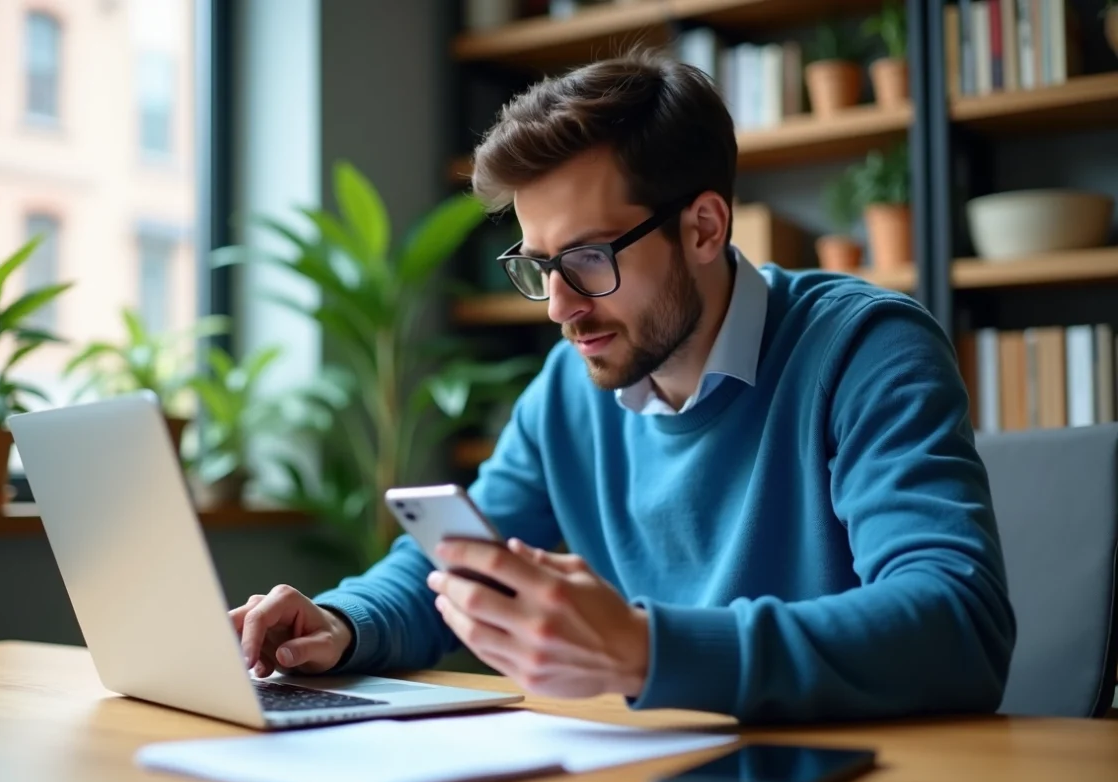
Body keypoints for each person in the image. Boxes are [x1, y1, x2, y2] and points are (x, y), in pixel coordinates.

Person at [231, 49, 1016, 723]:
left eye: (588, 257)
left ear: (705, 227)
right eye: (540, 267)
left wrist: (643, 648)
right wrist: (341, 620)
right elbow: (464, 557)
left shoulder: (865, 349)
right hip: (657, 776)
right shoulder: (571, 389)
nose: (563, 307)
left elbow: (956, 622)